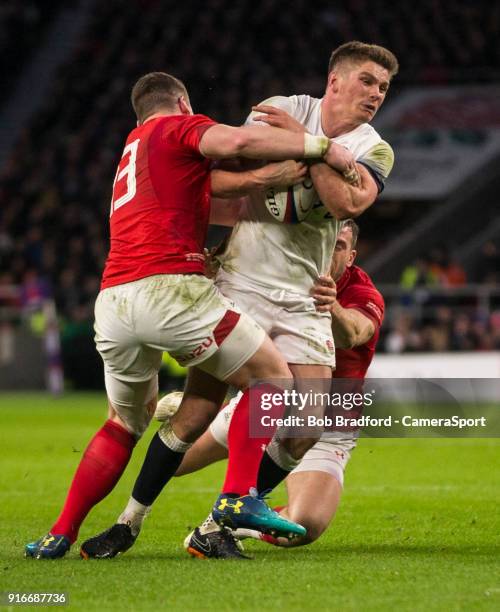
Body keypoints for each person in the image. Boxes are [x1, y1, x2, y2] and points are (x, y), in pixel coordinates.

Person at [79, 42, 398, 560]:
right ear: (334, 80)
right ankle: (128, 523)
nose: (376, 94)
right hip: (242, 280)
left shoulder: (374, 147)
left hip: (303, 297)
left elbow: (344, 201)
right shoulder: (281, 108)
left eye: (383, 87)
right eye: (366, 81)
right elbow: (210, 176)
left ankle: (215, 524)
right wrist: (280, 165)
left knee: (307, 427)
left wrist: (301, 145)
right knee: (198, 411)